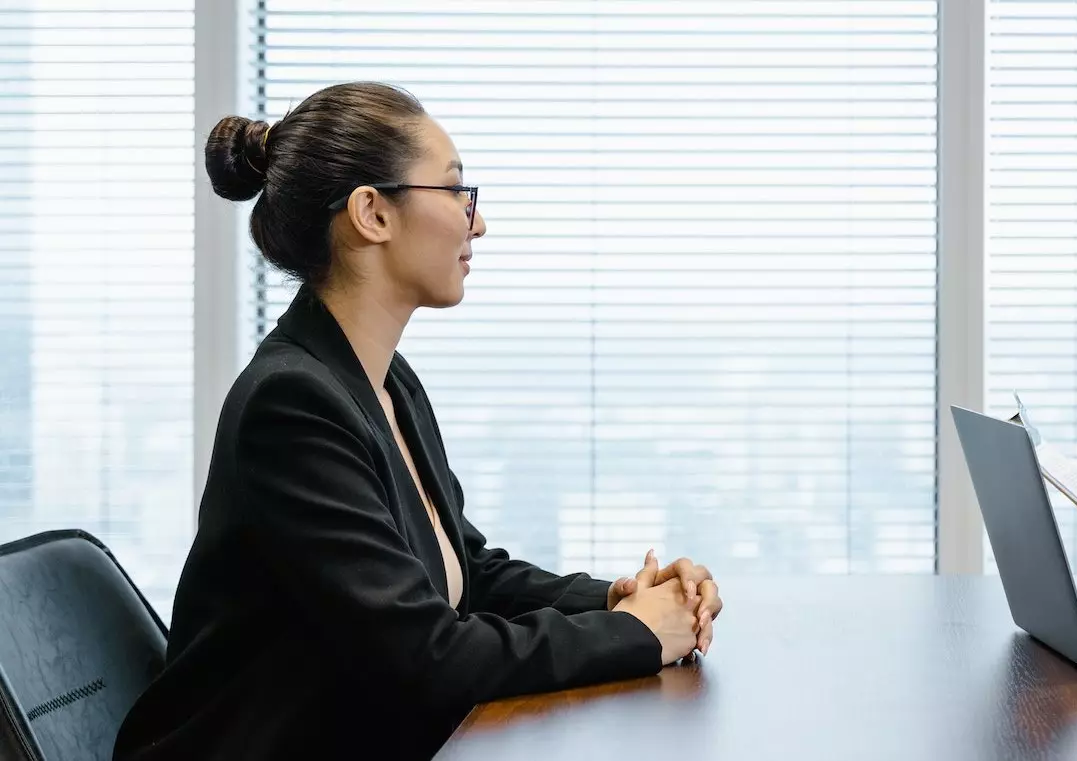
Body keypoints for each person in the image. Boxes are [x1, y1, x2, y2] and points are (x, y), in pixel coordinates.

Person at [112, 82, 722, 760]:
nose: (477, 223)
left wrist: (618, 598)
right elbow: (427, 656)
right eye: (457, 192)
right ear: (372, 212)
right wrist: (639, 632)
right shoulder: (289, 405)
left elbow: (468, 574)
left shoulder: (385, 380)